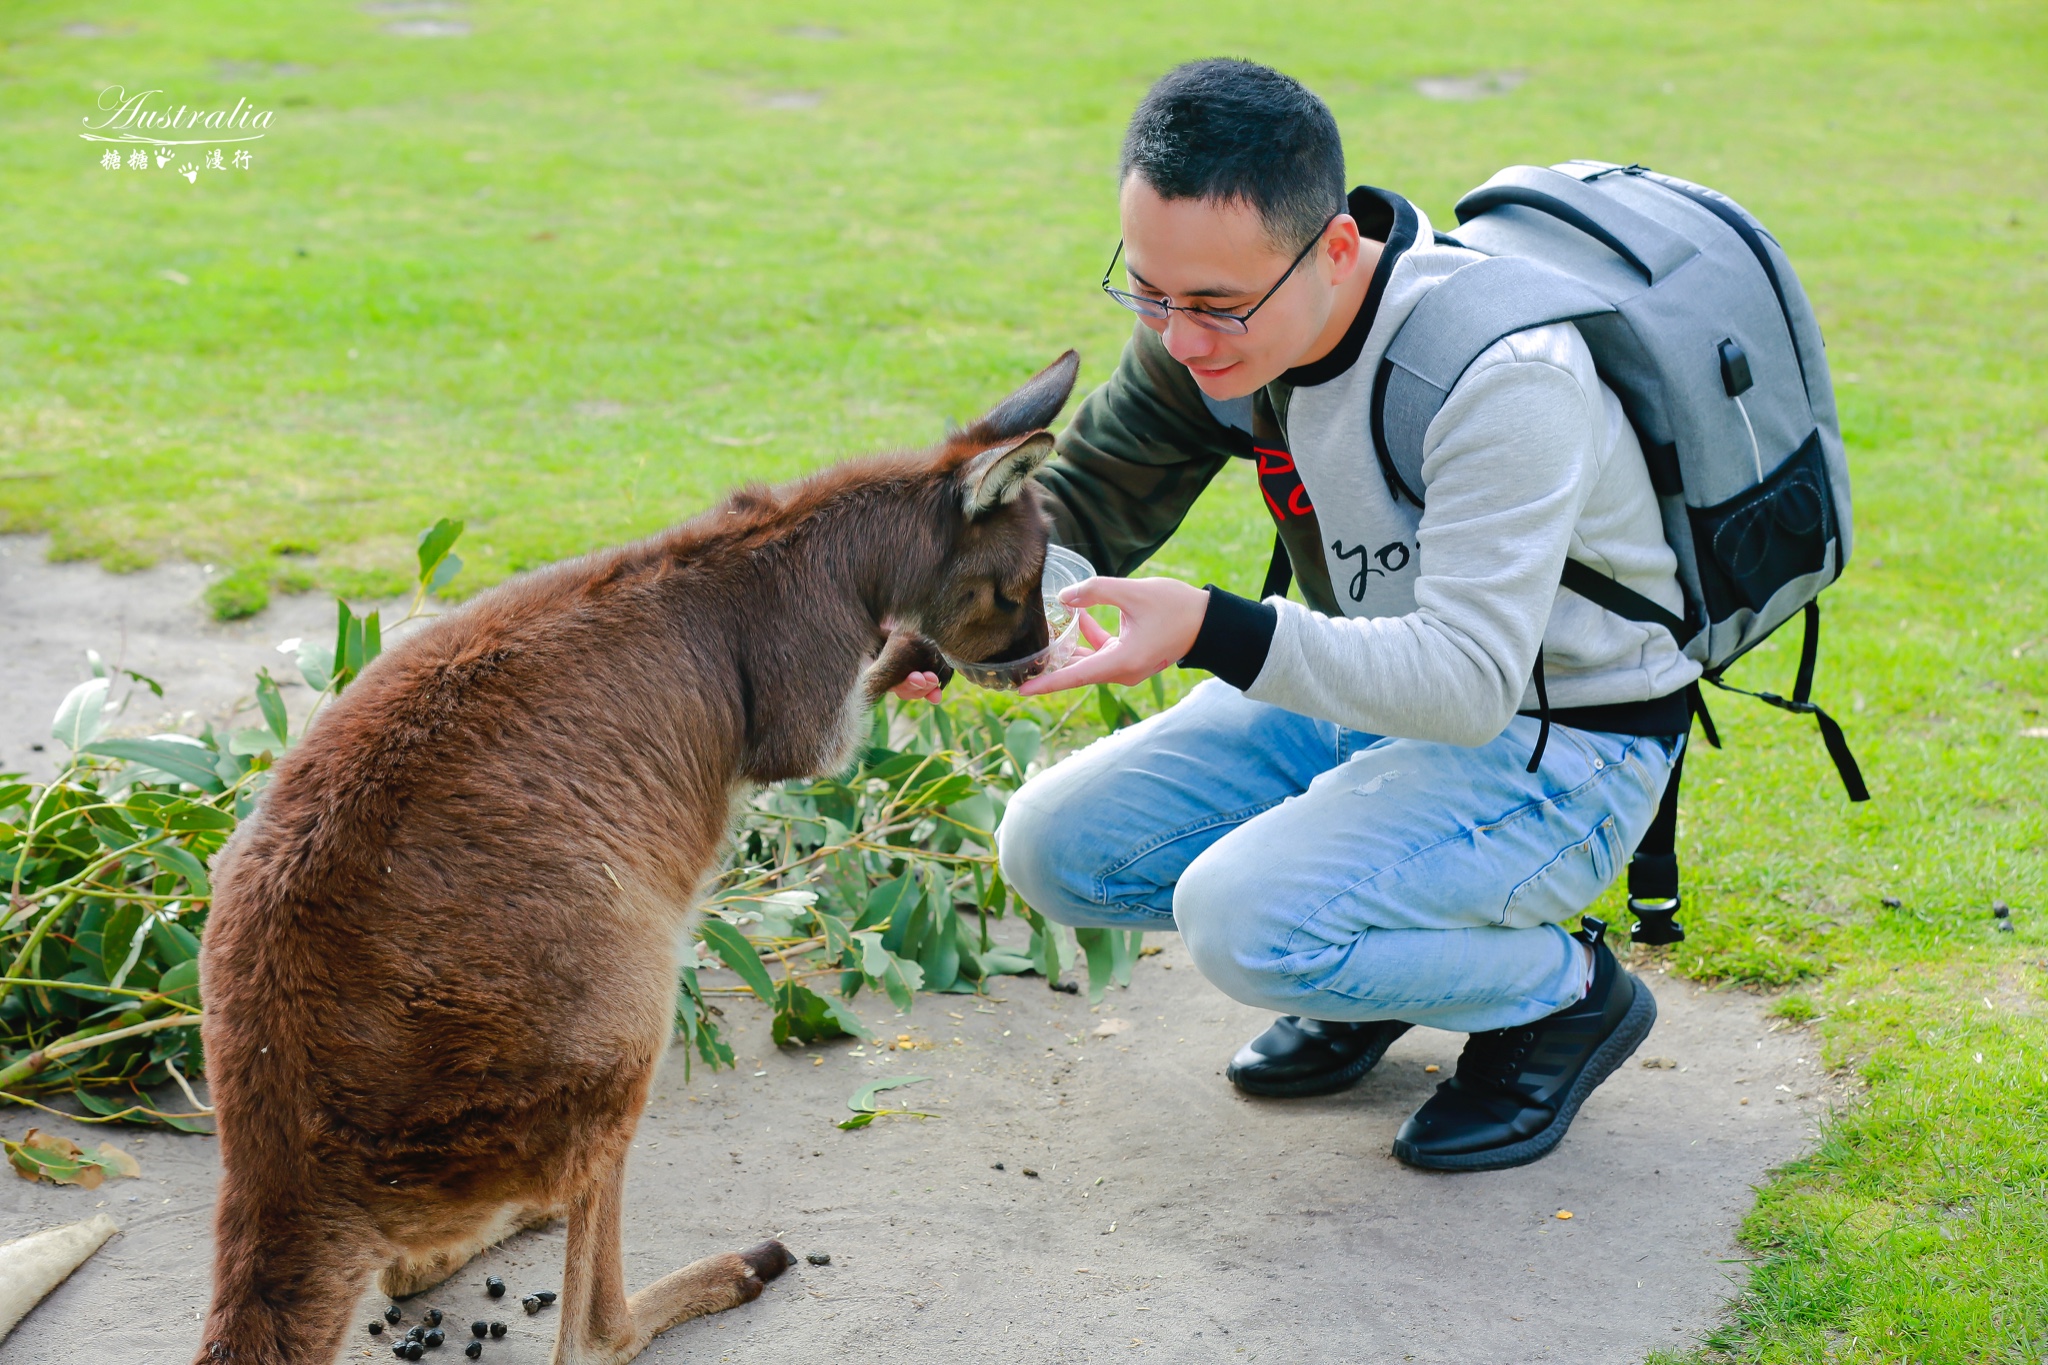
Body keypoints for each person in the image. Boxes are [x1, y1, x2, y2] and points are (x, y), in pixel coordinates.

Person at [895, 58, 1696, 1171]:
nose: (1180, 339)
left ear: (1329, 250)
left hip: (1558, 741)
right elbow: (1078, 506)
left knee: (1245, 920)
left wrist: (1210, 629)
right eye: (1149, 292)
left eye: (1215, 307)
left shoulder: (1502, 373)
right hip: (1362, 695)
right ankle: (1370, 959)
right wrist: (956, 609)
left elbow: (1465, 684)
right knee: (1050, 847)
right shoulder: (1206, 325)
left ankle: (1561, 997)